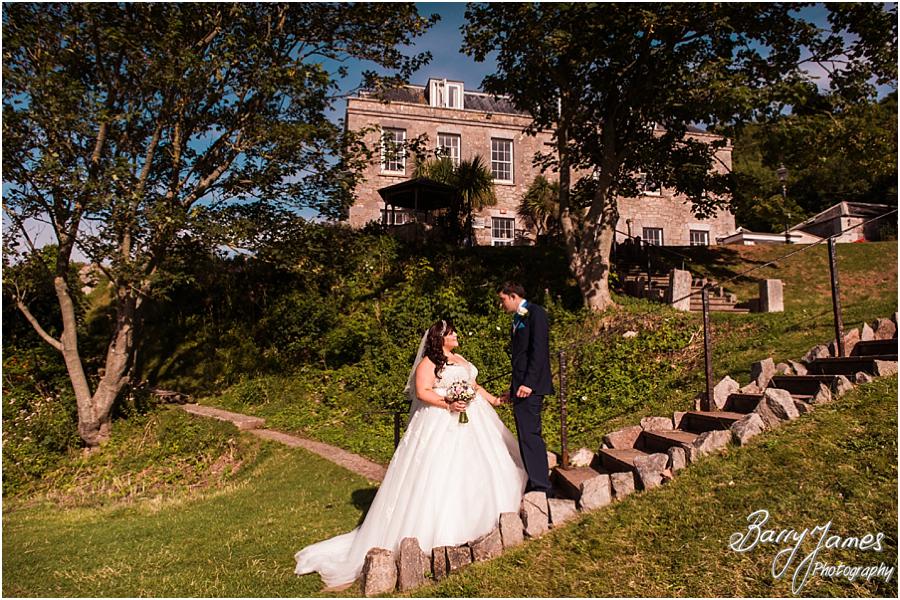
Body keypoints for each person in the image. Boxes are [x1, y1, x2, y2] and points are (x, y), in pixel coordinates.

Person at [294, 319, 527, 589]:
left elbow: (473, 385)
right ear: (441, 338)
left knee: (481, 468)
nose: (456, 335)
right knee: (440, 473)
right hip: (441, 421)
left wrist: (495, 400)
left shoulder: (459, 358)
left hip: (474, 418)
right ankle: (439, 537)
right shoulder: (428, 363)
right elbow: (422, 392)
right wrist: (448, 403)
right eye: (452, 333)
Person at [497, 282, 554, 496]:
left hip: (531, 386)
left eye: (503, 299)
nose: (501, 304)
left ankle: (542, 486)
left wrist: (528, 383)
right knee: (524, 434)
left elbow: (538, 351)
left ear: (513, 296)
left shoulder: (535, 313)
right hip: (520, 387)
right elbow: (520, 358)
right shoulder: (518, 317)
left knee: (531, 434)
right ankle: (534, 479)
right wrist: (513, 389)